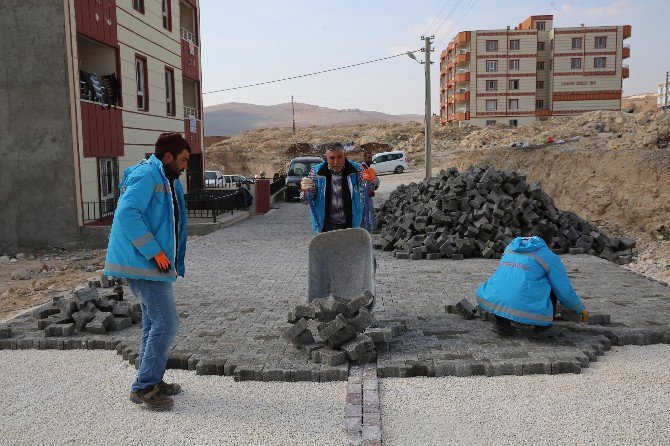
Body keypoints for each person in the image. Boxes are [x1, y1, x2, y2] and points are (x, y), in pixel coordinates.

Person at [103, 132, 190, 411]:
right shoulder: (148, 177)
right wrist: (155, 252)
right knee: (167, 322)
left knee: (154, 323)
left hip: (154, 263)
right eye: (183, 160)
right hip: (144, 263)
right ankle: (143, 387)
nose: (186, 166)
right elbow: (127, 213)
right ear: (168, 157)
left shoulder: (167, 179)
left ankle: (151, 380)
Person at [475, 235, 588, 336]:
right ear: (547, 241)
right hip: (521, 302)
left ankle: (501, 323)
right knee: (552, 285)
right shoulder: (549, 256)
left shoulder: (511, 247)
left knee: (509, 280)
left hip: (492, 298)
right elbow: (563, 290)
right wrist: (579, 308)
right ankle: (542, 327)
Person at [300, 142, 376, 233]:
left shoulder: (355, 169)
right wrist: (306, 191)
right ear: (326, 157)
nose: (336, 162)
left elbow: (368, 187)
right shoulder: (317, 171)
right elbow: (306, 200)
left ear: (344, 155)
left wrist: (371, 180)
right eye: (332, 158)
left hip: (350, 224)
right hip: (324, 226)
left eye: (339, 157)